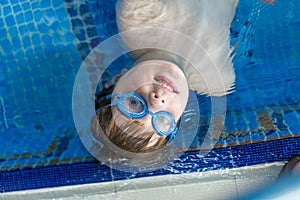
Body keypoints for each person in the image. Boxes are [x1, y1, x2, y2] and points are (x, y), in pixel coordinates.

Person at [92, 0, 238, 153]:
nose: (157, 102)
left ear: (116, 79)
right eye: (162, 121)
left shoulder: (138, 14)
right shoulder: (218, 80)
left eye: (134, 103)